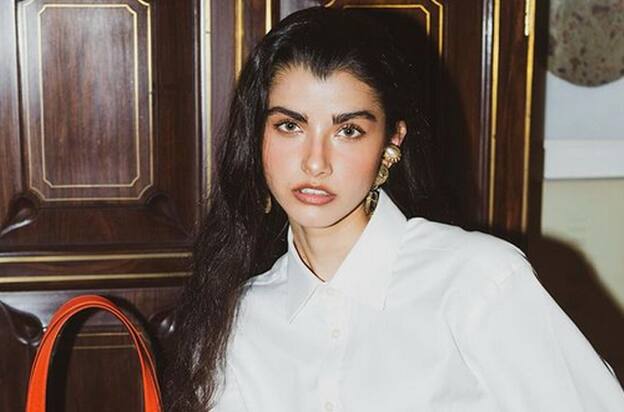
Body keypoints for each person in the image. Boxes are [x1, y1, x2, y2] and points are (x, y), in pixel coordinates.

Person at [163, 7, 624, 412]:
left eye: (348, 131)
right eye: (290, 126)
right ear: (257, 135)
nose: (315, 162)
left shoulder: (476, 280)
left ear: (391, 142)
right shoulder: (239, 320)